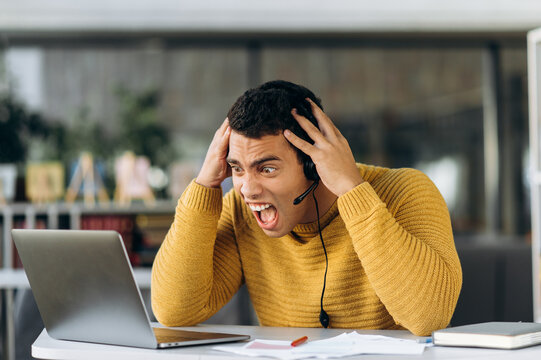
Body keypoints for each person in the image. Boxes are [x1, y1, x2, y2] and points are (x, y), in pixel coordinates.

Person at [151, 80, 462, 336]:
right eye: (238, 168)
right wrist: (205, 186)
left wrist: (353, 191)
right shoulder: (240, 210)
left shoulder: (406, 191)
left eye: (267, 169)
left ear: (314, 165)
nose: (247, 189)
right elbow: (173, 311)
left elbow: (429, 317)